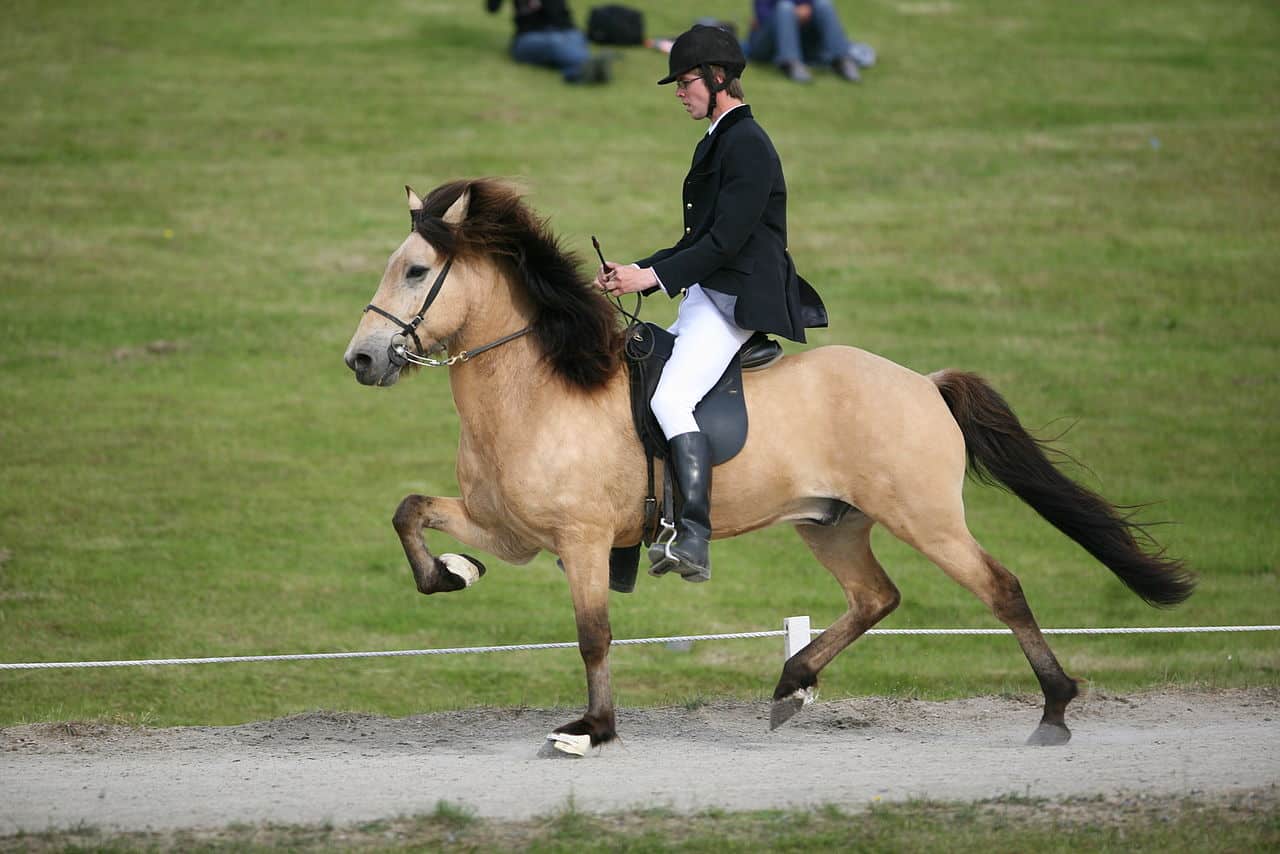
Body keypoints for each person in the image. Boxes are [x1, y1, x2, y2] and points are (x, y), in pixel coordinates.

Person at [595, 24, 827, 583]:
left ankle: (693, 536)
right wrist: (635, 272)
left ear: (719, 79)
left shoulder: (747, 144)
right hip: (710, 292)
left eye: (687, 81)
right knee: (637, 381)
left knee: (671, 398)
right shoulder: (719, 139)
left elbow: (725, 242)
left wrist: (649, 277)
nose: (680, 91)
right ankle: (623, 543)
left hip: (739, 299)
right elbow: (697, 240)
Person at [745, 0, 875, 83]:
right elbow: (762, 16)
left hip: (802, 37)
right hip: (765, 41)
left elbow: (812, 8)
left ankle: (842, 60)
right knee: (785, 8)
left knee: (824, 4)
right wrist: (794, 14)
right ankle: (791, 63)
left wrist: (804, 11)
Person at [485, 0, 613, 84]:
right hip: (527, 38)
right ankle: (584, 69)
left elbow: (560, 18)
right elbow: (492, 8)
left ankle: (583, 69)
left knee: (573, 39)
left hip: (566, 32)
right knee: (555, 43)